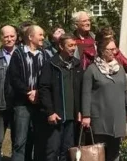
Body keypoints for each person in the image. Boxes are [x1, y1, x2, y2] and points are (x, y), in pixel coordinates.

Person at [81, 36, 127, 161]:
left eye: (115, 49)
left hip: (117, 117)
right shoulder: (92, 70)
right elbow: (86, 94)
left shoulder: (120, 69)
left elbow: (126, 90)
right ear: (101, 50)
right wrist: (86, 115)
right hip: (100, 118)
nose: (114, 52)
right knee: (98, 153)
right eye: (110, 49)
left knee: (115, 152)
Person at [38, 33, 84, 161]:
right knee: (52, 150)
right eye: (70, 45)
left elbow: (81, 89)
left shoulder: (77, 65)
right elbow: (44, 89)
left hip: (72, 117)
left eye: (74, 45)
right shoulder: (51, 64)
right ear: (61, 46)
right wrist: (50, 112)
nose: (73, 48)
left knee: (68, 150)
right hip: (56, 116)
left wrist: (80, 110)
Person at [9, 25, 47, 161]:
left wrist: (38, 93)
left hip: (39, 103)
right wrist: (28, 92)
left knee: (37, 140)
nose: (43, 37)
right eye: (40, 35)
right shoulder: (18, 53)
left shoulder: (44, 54)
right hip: (22, 104)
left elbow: (47, 78)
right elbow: (13, 77)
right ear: (31, 37)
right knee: (20, 141)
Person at [0, 25, 18, 161]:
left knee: (18, 140)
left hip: (18, 105)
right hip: (0, 106)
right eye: (6, 36)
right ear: (1, 38)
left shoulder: (22, 54)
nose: (9, 39)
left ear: (16, 36)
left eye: (12, 36)